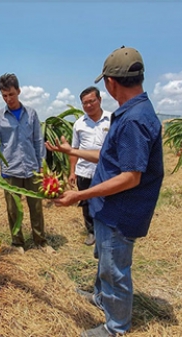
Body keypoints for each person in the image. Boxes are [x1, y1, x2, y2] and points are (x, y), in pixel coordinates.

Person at [45, 47, 164, 336]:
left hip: (120, 212)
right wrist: (71, 150)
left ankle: (116, 327)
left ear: (110, 83)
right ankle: (101, 298)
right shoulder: (130, 113)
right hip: (108, 208)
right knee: (104, 260)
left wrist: (80, 196)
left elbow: (130, 177)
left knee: (114, 269)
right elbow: (109, 157)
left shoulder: (135, 120)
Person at [0, 73, 55, 255]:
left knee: (36, 208)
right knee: (13, 210)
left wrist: (41, 166)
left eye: (11, 94)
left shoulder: (31, 114)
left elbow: (38, 140)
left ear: (19, 91)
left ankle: (41, 241)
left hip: (32, 169)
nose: (8, 99)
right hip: (10, 170)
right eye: (4, 96)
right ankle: (17, 243)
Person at [70, 86, 111, 246]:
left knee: (107, 199)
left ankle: (107, 230)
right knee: (86, 202)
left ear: (99, 100)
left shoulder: (112, 119)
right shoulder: (79, 124)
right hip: (84, 171)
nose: (88, 105)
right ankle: (92, 231)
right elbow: (74, 150)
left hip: (107, 171)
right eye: (84, 103)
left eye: (91, 101)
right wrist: (72, 172)